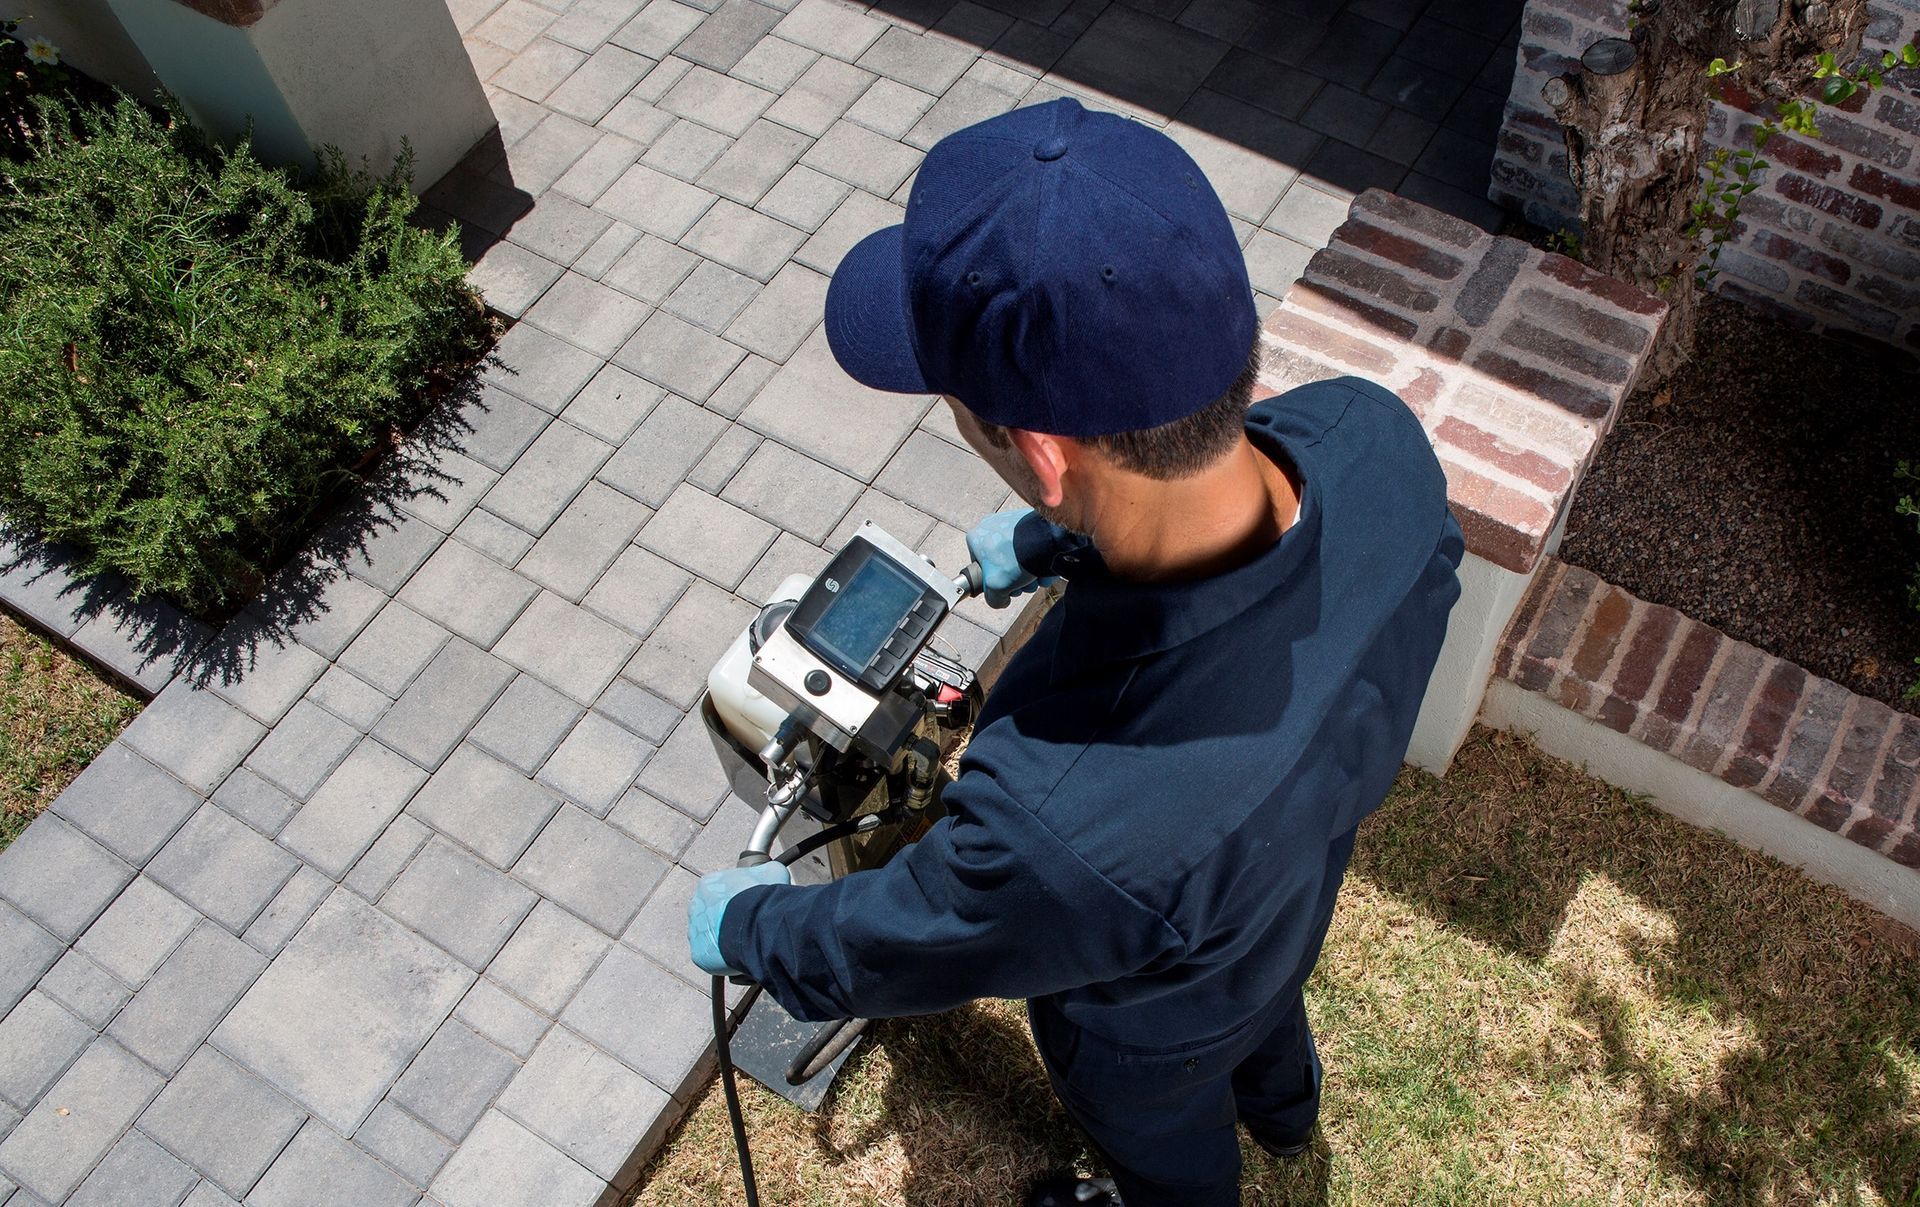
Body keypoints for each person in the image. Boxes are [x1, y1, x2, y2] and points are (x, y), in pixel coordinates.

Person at [688, 96, 1464, 1207]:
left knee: (1163, 1128)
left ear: (1043, 453)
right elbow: (1227, 483)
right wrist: (1057, 541)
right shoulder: (1378, 438)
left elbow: (911, 938)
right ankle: (1286, 1114)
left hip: (1153, 1022)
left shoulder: (1061, 818)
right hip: (1292, 890)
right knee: (1264, 994)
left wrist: (754, 926)